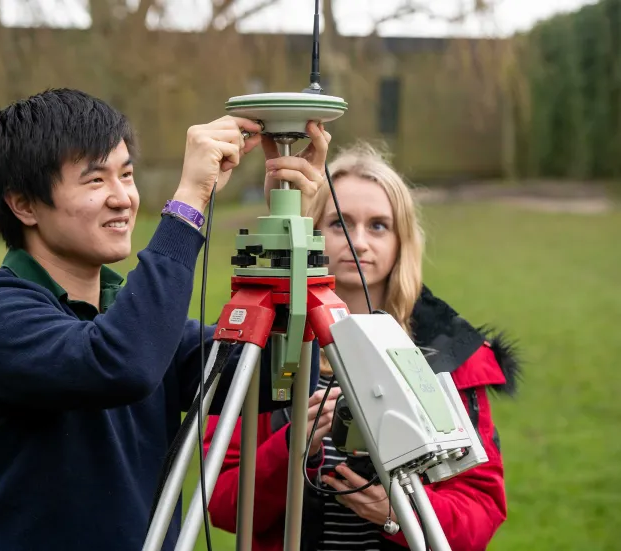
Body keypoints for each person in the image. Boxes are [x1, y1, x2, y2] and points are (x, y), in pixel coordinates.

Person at [0, 88, 329, 551]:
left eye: (126, 174)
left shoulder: (130, 317)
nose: (123, 198)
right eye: (95, 180)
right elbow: (121, 362)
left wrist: (290, 227)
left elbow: (274, 377)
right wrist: (189, 203)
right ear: (24, 204)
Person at [203, 142, 521, 551]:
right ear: (311, 233)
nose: (359, 242)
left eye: (378, 226)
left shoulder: (448, 354)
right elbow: (221, 503)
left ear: (402, 240)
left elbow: (480, 509)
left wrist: (400, 512)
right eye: (340, 224)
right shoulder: (263, 343)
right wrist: (292, 448)